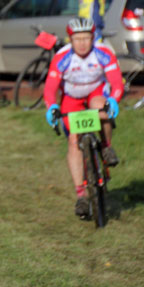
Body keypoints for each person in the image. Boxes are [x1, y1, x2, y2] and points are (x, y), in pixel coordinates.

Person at [43, 17, 122, 219]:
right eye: (77, 39)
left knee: (102, 110)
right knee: (73, 140)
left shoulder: (103, 52)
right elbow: (50, 89)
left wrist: (113, 99)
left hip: (95, 92)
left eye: (87, 38)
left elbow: (116, 83)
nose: (82, 43)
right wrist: (51, 106)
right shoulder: (62, 57)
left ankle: (106, 147)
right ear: (70, 39)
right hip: (71, 97)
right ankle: (81, 194)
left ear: (93, 37)